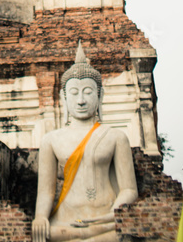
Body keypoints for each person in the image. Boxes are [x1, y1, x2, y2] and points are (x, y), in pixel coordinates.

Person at [32, 43, 138, 242]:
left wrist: (113, 214)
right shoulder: (51, 140)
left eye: (88, 92)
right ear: (64, 99)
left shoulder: (115, 137)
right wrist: (40, 217)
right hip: (64, 223)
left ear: (100, 96)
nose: (80, 100)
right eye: (73, 93)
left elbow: (129, 190)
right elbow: (46, 191)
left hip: (105, 221)